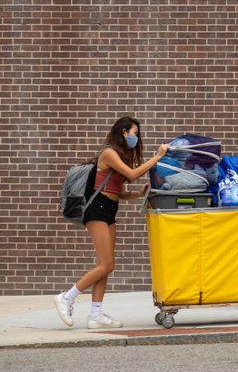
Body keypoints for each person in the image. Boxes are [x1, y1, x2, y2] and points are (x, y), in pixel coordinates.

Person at [54, 117, 169, 329]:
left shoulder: (120, 156)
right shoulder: (109, 153)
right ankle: (67, 297)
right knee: (107, 264)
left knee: (105, 266)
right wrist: (158, 157)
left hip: (109, 209)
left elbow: (116, 191)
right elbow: (133, 175)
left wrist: (136, 194)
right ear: (123, 132)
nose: (136, 137)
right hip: (96, 208)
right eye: (135, 133)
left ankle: (95, 314)